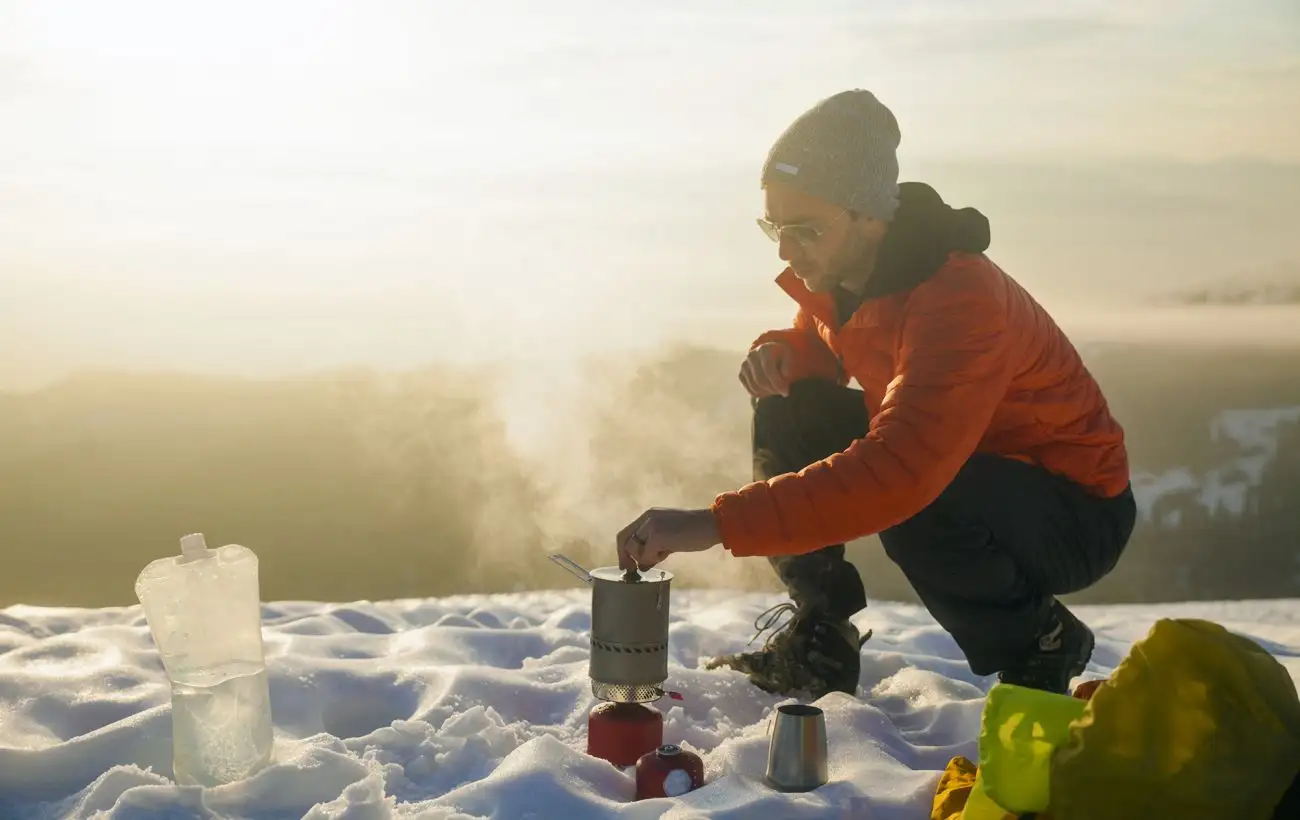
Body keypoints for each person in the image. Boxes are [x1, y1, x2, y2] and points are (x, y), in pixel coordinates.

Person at [614, 89, 1136, 699]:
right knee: (792, 406)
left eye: (803, 228)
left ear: (868, 215)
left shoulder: (959, 299)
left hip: (1072, 513)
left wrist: (713, 524)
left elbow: (902, 469)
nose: (785, 250)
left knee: (919, 496)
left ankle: (1038, 639)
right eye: (773, 226)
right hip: (976, 470)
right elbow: (830, 343)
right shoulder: (854, 276)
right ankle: (822, 636)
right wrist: (788, 354)